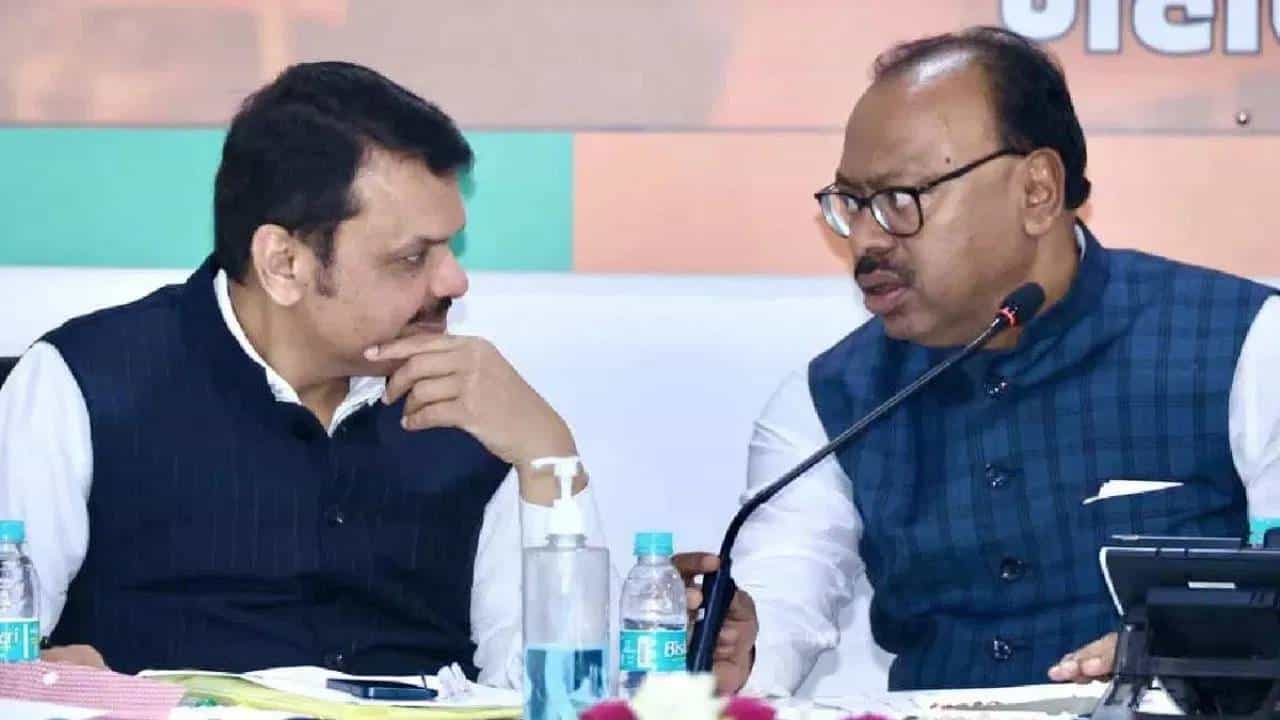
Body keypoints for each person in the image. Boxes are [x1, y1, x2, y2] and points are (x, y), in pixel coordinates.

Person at [0, 61, 600, 685]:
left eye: (450, 248)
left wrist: (547, 454)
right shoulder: (83, 386)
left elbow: (567, 693)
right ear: (284, 263)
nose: (454, 281)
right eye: (412, 258)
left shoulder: (481, 409)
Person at [718, 26, 1280, 692]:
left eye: (899, 200)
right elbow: (779, 599)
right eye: (851, 204)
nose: (866, 240)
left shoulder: (1246, 345)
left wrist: (1193, 649)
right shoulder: (830, 401)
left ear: (1037, 191)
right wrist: (741, 653)